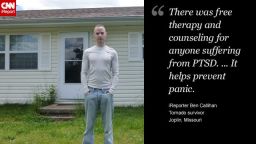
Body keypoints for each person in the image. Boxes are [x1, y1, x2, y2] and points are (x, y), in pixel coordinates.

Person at [81, 24, 119, 144]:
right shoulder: (88, 52)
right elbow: (83, 72)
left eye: (102, 33)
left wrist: (111, 91)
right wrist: (86, 91)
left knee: (108, 126)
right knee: (89, 125)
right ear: (94, 35)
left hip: (106, 93)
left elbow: (116, 73)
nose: (100, 35)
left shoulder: (112, 52)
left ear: (106, 34)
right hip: (91, 92)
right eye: (97, 33)